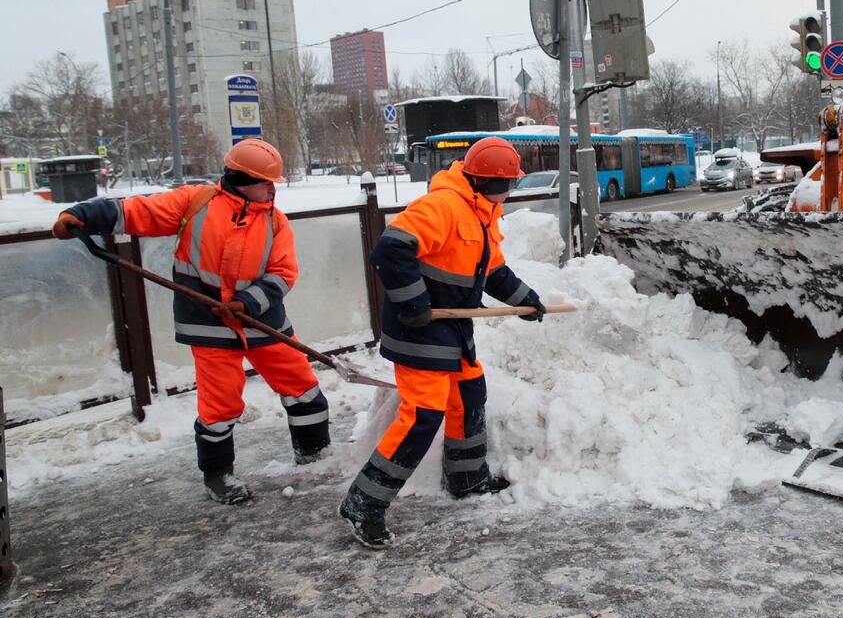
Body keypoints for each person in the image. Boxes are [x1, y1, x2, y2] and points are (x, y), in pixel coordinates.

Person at [51, 138, 329, 504]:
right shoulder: (194, 204)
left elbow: (283, 273)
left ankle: (315, 457)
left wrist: (248, 302)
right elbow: (137, 211)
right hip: (207, 323)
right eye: (266, 182)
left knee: (303, 387)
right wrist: (83, 215)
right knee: (220, 405)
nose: (272, 189)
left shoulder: (275, 222)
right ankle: (218, 475)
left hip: (263, 322)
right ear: (242, 179)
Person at [339, 136, 546, 549]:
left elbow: (494, 272)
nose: (513, 190)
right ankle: (365, 501)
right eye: (512, 183)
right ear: (493, 182)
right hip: (420, 329)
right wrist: (413, 302)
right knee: (422, 416)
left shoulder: (482, 213)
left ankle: (467, 476)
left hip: (452, 330)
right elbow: (389, 250)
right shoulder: (444, 206)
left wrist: (527, 301)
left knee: (470, 392)